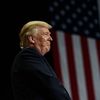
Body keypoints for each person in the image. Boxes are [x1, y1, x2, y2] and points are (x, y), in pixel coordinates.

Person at [11, 20, 71, 100]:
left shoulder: (31, 57)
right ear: (32, 39)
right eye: (46, 34)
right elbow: (50, 84)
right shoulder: (28, 54)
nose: (51, 39)